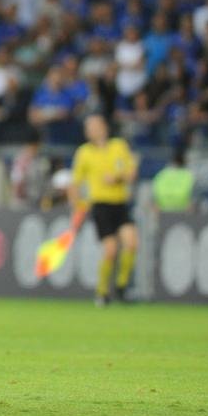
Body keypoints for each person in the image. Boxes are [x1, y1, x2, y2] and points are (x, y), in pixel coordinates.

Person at [66, 115, 138, 306]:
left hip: (120, 203)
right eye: (88, 128)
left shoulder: (119, 146)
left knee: (131, 243)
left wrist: (117, 177)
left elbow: (132, 173)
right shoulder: (84, 153)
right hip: (100, 205)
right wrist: (77, 206)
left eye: (94, 126)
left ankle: (122, 287)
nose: (91, 130)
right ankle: (102, 291)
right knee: (111, 250)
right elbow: (74, 183)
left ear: (104, 127)